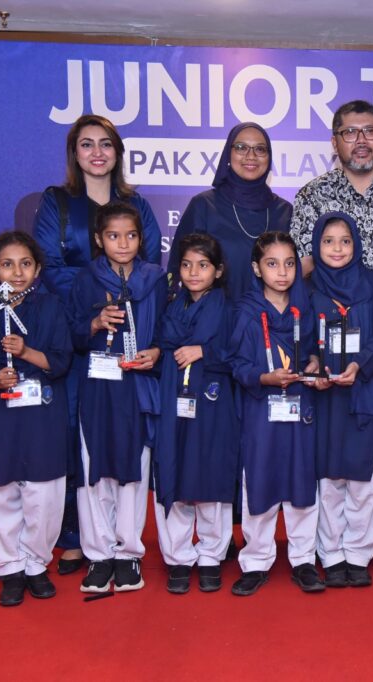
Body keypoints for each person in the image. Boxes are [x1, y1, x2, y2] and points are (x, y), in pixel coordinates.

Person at [34, 113, 162, 574]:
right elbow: (48, 263)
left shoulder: (136, 203)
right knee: (77, 430)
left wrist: (122, 296)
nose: (97, 152)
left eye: (106, 143)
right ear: (75, 152)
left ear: (118, 152)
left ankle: (123, 542)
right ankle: (76, 536)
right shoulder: (57, 201)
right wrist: (95, 295)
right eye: (87, 144)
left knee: (126, 438)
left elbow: (151, 263)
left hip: (130, 335)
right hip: (76, 329)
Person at [0, 231, 72, 606]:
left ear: (38, 269)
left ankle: (36, 564)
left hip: (41, 415)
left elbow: (60, 361)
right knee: (0, 492)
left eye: (25, 264)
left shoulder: (52, 307)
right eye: (7, 265)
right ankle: (9, 568)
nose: (17, 272)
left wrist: (25, 352)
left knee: (43, 494)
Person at [66, 201, 167, 593]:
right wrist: (94, 322)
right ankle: (99, 553)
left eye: (131, 235)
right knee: (94, 468)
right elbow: (70, 333)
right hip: (98, 387)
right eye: (113, 236)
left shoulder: (156, 279)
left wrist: (156, 352)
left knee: (133, 471)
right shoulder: (85, 279)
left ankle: (128, 554)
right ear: (98, 239)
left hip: (137, 386)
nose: (123, 244)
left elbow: (168, 331)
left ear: (141, 239)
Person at [228, 232, 325, 596]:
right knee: (260, 480)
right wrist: (263, 377)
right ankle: (256, 560)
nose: (282, 272)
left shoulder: (305, 306)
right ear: (257, 268)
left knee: (303, 480)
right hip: (261, 409)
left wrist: (315, 361)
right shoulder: (245, 311)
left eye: (289, 264)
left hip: (300, 406)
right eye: (272, 264)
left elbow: (315, 349)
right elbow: (236, 364)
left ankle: (303, 559)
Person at [152, 233, 239, 594]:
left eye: (203, 265)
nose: (193, 272)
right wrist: (157, 353)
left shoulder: (229, 309)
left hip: (213, 403)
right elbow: (163, 346)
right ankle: (178, 557)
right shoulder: (172, 306)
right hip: (175, 398)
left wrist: (204, 351)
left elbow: (240, 355)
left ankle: (211, 556)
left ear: (218, 271)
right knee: (174, 471)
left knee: (210, 475)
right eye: (186, 265)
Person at [309, 212, 373, 588]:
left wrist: (360, 364)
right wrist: (314, 366)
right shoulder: (308, 286)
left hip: (363, 388)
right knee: (329, 480)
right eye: (328, 241)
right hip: (326, 396)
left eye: (345, 241)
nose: (337, 249)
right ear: (317, 245)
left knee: (362, 480)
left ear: (356, 244)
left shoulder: (371, 282)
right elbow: (301, 336)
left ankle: (358, 552)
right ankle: (331, 553)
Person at [290, 100, 373, 274]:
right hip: (334, 293)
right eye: (350, 132)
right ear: (334, 143)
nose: (361, 141)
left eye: (370, 131)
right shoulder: (312, 196)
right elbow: (303, 265)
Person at [168, 122, 293, 302]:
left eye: (260, 149)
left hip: (270, 317)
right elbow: (179, 268)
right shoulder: (203, 206)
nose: (251, 156)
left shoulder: (284, 211)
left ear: (269, 157)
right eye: (241, 147)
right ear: (228, 153)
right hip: (214, 316)